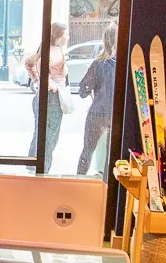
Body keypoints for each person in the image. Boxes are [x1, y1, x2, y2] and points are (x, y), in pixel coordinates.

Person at [24, 22, 68, 172]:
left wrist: (37, 79)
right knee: (49, 137)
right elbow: (33, 65)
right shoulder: (50, 52)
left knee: (41, 133)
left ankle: (33, 166)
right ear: (59, 35)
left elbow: (29, 63)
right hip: (51, 97)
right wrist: (49, 84)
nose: (68, 37)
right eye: (66, 34)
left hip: (50, 96)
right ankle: (42, 169)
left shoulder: (52, 50)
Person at [75, 25, 118, 175]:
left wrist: (92, 89)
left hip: (97, 113)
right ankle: (106, 189)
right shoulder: (123, 64)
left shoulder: (99, 63)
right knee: (111, 155)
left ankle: (78, 182)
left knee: (87, 151)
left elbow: (82, 90)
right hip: (114, 115)